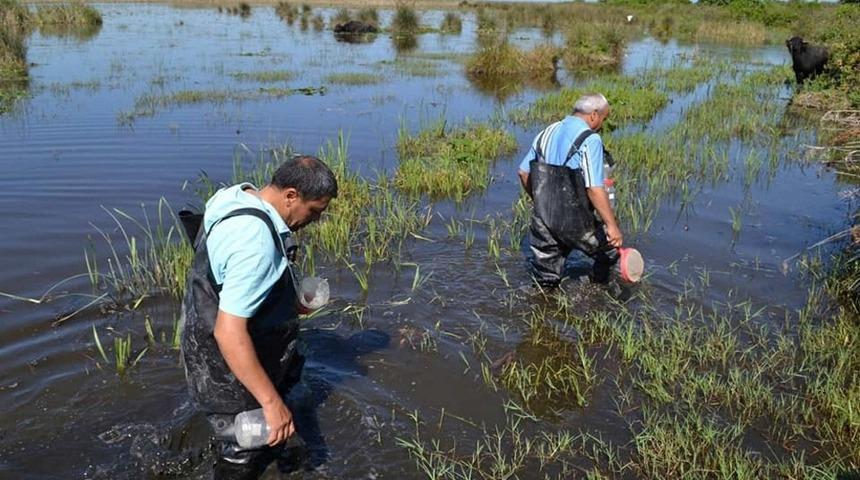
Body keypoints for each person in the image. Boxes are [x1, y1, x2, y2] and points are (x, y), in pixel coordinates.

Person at [180, 155, 337, 479]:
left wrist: (286, 302)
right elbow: (228, 332)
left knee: (273, 406)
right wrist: (270, 403)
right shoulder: (257, 245)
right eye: (314, 211)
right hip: (220, 358)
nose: (316, 220)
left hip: (202, 322)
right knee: (242, 444)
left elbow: (227, 275)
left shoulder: (236, 195)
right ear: (291, 195)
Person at [517, 93, 623, 289]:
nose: (601, 123)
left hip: (544, 219)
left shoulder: (546, 132)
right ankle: (595, 292)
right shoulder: (590, 139)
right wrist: (612, 226)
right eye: (603, 118)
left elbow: (523, 173)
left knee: (545, 281)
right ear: (593, 115)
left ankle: (542, 309)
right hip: (576, 220)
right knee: (610, 251)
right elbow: (593, 188)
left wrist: (540, 202)